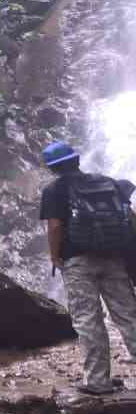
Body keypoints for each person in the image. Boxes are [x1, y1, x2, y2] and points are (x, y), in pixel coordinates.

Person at [38, 140, 136, 395]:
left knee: (88, 320)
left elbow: (56, 226)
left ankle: (97, 381)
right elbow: (130, 218)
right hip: (115, 258)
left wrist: (55, 256)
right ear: (77, 160)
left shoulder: (54, 190)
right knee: (129, 316)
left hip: (78, 262)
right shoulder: (108, 183)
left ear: (52, 168)